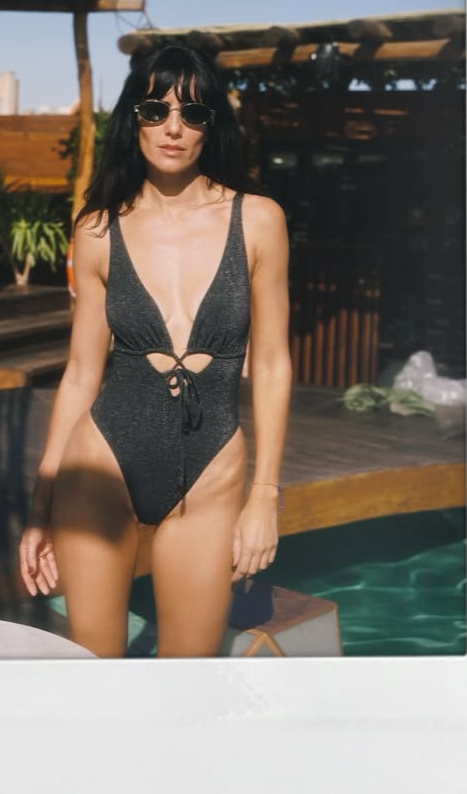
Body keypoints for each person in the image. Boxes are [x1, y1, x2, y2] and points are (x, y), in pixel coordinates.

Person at [19, 44, 293, 658]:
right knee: (95, 671)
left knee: (186, 678)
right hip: (100, 461)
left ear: (211, 126)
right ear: (133, 119)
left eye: (192, 113)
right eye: (155, 110)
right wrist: (40, 508)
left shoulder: (259, 221)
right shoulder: (97, 229)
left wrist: (265, 495)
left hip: (212, 469)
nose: (173, 127)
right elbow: (80, 374)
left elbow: (273, 363)